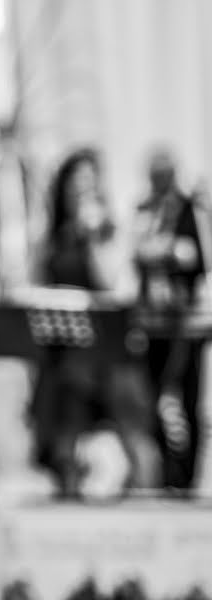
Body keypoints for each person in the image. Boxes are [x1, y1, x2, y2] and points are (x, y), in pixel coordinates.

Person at [31, 148, 160, 497]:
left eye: (89, 182)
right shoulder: (56, 238)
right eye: (76, 183)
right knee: (64, 436)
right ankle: (71, 508)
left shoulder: (111, 232)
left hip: (113, 352)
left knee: (135, 434)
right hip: (70, 354)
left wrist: (93, 238)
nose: (82, 190)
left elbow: (114, 286)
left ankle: (147, 505)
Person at [135, 148, 207, 488]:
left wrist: (165, 251)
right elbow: (135, 251)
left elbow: (195, 255)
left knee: (186, 401)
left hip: (186, 323)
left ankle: (187, 477)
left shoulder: (190, 209)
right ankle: (166, 472)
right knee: (156, 400)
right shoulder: (145, 211)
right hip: (152, 323)